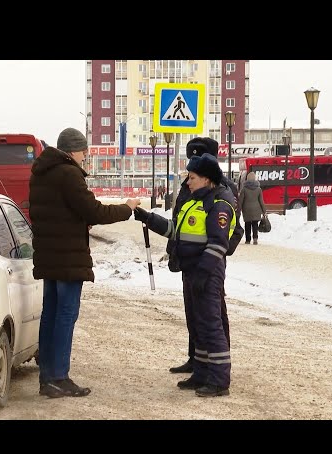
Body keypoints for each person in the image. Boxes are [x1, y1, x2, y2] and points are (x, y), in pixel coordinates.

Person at [29, 127, 140, 399]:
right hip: (67, 257)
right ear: (72, 151)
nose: (85, 156)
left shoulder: (41, 174)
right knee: (65, 316)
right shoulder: (68, 173)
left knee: (50, 315)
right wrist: (127, 208)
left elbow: (61, 211)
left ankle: (47, 377)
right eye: (83, 151)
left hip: (50, 255)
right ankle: (58, 377)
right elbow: (93, 210)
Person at [134, 152, 236, 397]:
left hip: (207, 273)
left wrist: (202, 274)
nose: (187, 182)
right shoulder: (194, 201)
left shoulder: (219, 204)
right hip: (192, 272)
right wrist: (149, 219)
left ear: (206, 179)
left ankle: (219, 380)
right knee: (198, 324)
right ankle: (200, 372)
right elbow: (176, 231)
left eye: (191, 177)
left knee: (211, 325)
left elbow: (218, 244)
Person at [165, 137, 243, 375]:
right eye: (191, 156)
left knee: (213, 314)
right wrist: (174, 248)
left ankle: (218, 364)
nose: (193, 161)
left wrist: (217, 253)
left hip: (209, 260)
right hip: (190, 258)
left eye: (197, 155)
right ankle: (197, 359)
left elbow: (233, 229)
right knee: (194, 311)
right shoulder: (191, 183)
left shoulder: (223, 188)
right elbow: (180, 219)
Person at [238, 171, 266, 245]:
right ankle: (255, 238)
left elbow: (240, 201)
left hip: (246, 210)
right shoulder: (258, 189)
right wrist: (264, 211)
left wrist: (238, 210)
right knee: (255, 224)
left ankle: (247, 240)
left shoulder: (244, 189)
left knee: (247, 224)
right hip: (256, 210)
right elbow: (261, 201)